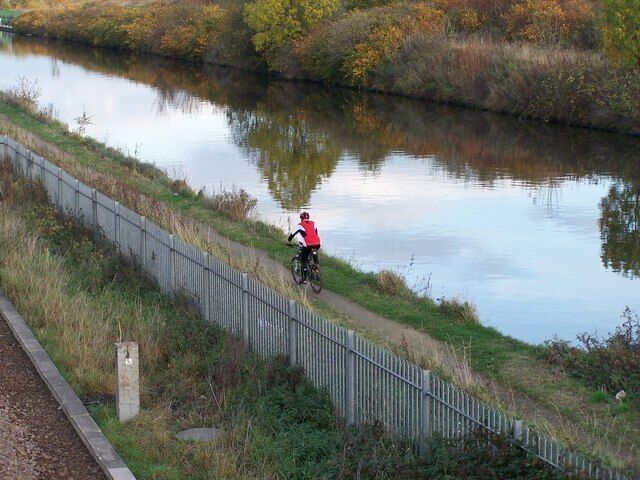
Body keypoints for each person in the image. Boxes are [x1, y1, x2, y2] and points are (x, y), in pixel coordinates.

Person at [288, 212, 321, 279]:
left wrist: (288, 241)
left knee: (304, 260)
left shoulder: (299, 225)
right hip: (317, 243)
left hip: (308, 244)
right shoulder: (313, 223)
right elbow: (316, 233)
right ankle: (316, 270)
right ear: (308, 218)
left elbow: (292, 234)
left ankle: (305, 278)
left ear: (301, 218)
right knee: (314, 257)